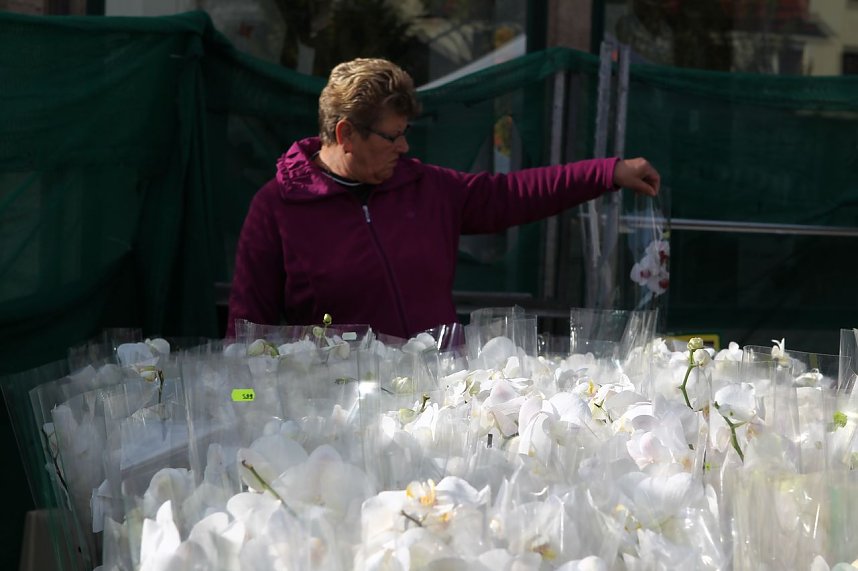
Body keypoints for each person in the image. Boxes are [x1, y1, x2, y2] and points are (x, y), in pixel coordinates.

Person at [226, 58, 660, 339]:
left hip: (441, 401)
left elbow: (512, 194)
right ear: (346, 134)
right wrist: (244, 406)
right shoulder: (276, 209)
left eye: (406, 134)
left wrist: (608, 173)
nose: (404, 148)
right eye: (393, 136)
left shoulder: (426, 187)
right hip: (341, 412)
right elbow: (245, 334)